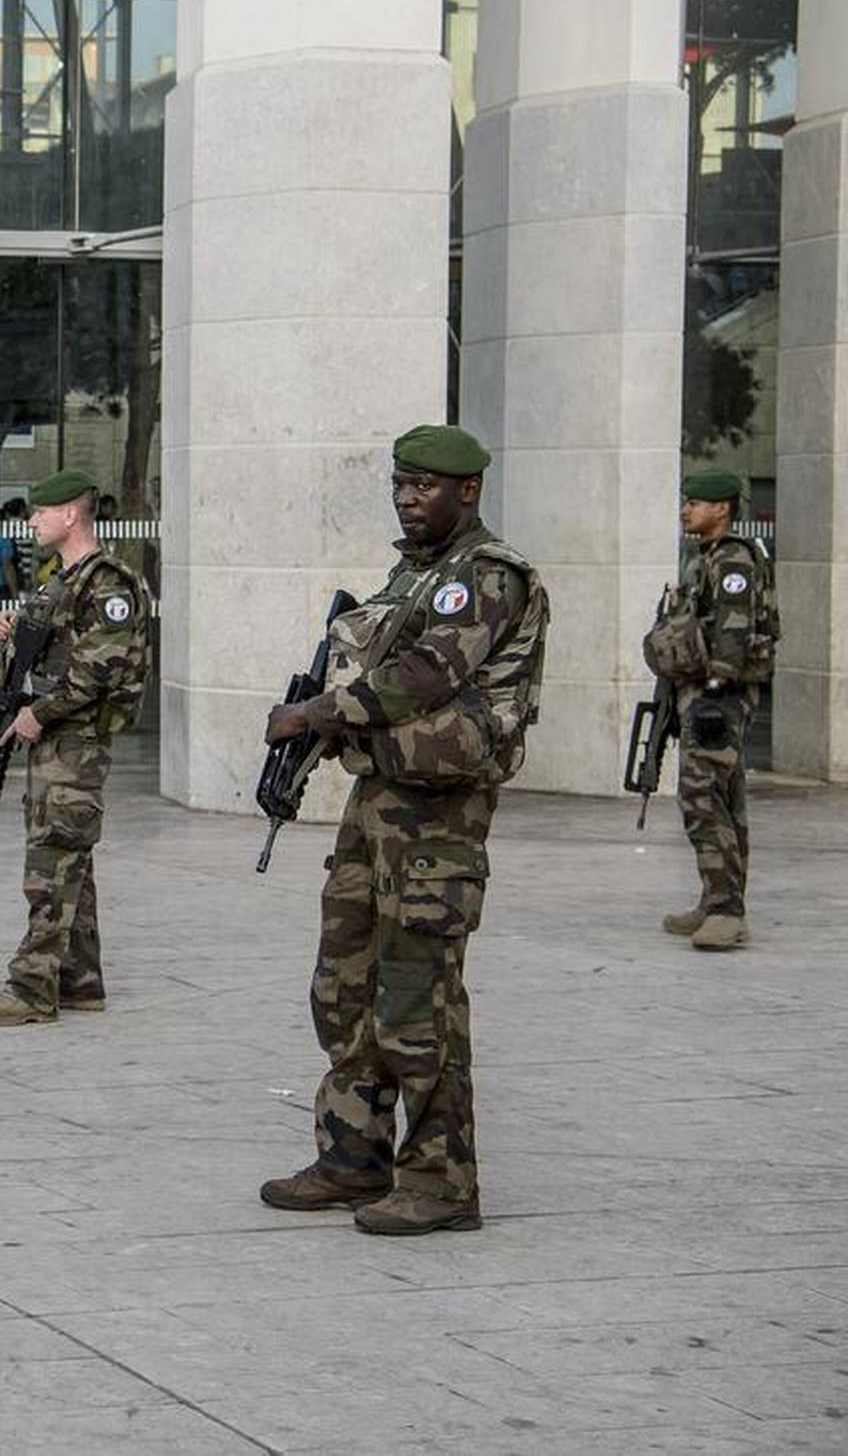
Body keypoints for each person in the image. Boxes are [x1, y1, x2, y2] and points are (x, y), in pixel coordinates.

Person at [258, 423, 548, 1238]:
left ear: (468, 491)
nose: (408, 497)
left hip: (440, 814)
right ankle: (353, 1154)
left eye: (425, 485)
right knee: (344, 984)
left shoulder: (485, 577)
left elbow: (425, 676)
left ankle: (441, 1179)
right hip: (379, 798)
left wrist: (315, 712)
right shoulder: (413, 575)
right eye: (399, 483)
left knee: (419, 998)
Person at [0, 469, 155, 1028]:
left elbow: (96, 673)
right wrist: (9, 633)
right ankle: (80, 980)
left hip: (76, 742)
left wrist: (36, 714)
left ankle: (31, 988)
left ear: (70, 515)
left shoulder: (108, 583)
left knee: (50, 862)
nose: (32, 521)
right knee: (70, 857)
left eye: (41, 513)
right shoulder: (62, 580)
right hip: (56, 740)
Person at [646, 467, 778, 951]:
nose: (686, 510)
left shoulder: (733, 561)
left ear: (721, 508)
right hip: (702, 690)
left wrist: (717, 692)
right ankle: (717, 899)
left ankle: (726, 910)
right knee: (725, 798)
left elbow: (734, 630)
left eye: (694, 503)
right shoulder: (704, 558)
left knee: (701, 798)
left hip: (718, 694)